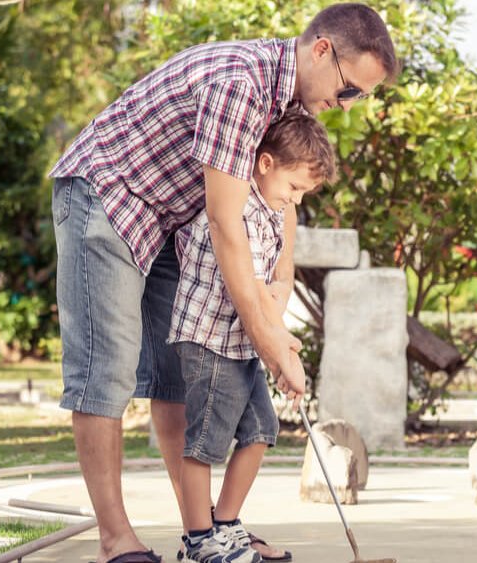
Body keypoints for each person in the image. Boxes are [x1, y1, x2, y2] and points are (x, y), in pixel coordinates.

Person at [48, 3, 397, 562]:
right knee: (105, 367)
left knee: (173, 376)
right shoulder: (241, 83)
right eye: (351, 89)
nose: (348, 104)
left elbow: (276, 208)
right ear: (323, 50)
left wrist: (275, 316)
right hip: (107, 196)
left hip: (167, 219)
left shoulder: (288, 100)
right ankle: (116, 542)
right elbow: (225, 220)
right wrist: (265, 338)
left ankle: (204, 532)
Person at [169, 114, 336, 563]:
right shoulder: (240, 208)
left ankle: (225, 526)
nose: (296, 200)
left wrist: (278, 343)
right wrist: (285, 350)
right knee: (204, 443)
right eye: (294, 187)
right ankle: (199, 541)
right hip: (209, 339)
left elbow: (272, 289)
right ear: (265, 163)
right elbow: (255, 290)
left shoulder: (272, 211)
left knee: (262, 429)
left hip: (240, 342)